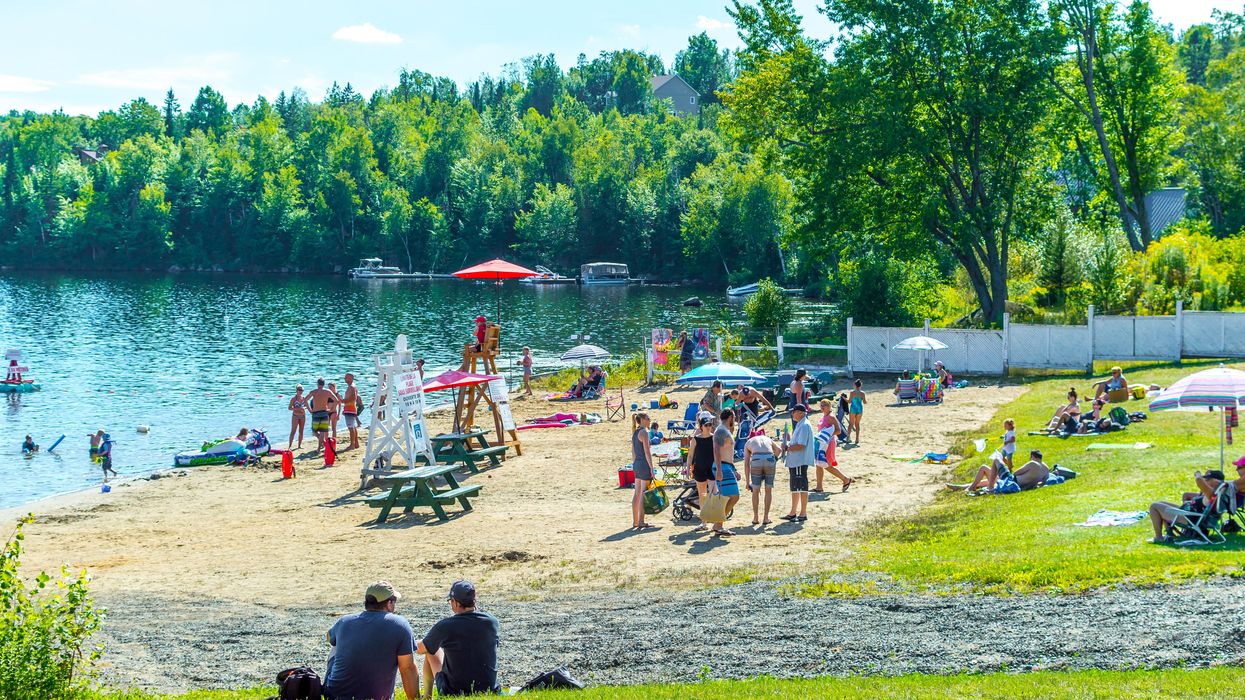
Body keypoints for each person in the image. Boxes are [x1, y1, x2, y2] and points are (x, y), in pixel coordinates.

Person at [323, 581, 419, 700]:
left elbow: (328, 636)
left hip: (335, 696)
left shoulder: (344, 621)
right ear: (389, 603)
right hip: (379, 696)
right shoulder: (400, 624)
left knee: (335, 644)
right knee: (403, 657)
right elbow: (407, 668)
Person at [416, 581, 501, 698]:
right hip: (488, 689)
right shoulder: (492, 622)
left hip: (454, 692)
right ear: (474, 601)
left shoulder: (446, 626)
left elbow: (421, 649)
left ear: (455, 602)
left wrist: (410, 641)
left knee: (431, 649)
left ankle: (427, 697)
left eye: (451, 601)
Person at [1149, 469, 1228, 543]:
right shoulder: (1216, 493)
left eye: (1207, 479)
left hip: (1190, 518)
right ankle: (1170, 535)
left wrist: (1198, 474)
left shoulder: (1210, 493)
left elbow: (1198, 480)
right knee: (1161, 503)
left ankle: (1159, 538)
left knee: (1154, 506)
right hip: (1192, 515)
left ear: (1215, 481)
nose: (1205, 481)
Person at [948, 450, 1049, 494]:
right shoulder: (1046, 468)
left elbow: (1016, 473)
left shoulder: (1032, 463)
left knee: (994, 461)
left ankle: (986, 487)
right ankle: (961, 487)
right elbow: (1043, 482)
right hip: (1019, 486)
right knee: (991, 477)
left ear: (1033, 457)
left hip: (1011, 481)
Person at [781, 404, 815, 522]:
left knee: (801, 486)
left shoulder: (804, 425)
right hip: (796, 461)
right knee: (795, 487)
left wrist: (787, 448)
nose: (792, 414)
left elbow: (801, 445)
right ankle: (793, 512)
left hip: (799, 461)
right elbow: (797, 442)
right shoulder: (801, 424)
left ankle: (803, 513)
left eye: (794, 412)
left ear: (800, 412)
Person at [710, 409, 741, 537]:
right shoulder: (721, 430)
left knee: (729, 497)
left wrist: (734, 469)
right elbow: (716, 450)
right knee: (734, 496)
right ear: (730, 417)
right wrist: (719, 470)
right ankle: (718, 524)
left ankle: (719, 524)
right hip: (722, 467)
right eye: (734, 417)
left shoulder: (724, 430)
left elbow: (726, 452)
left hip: (726, 466)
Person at [686, 414, 717, 531]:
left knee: (714, 494)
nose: (709, 427)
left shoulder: (714, 438)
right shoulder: (695, 439)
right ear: (701, 427)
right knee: (702, 495)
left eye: (710, 425)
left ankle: (715, 520)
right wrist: (688, 468)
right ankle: (704, 522)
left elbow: (718, 454)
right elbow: (690, 455)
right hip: (699, 469)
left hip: (711, 469)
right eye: (706, 425)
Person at [814, 399, 852, 492]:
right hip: (823, 443)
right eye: (821, 405)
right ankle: (819, 487)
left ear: (829, 406)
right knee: (819, 464)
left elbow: (838, 431)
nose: (822, 407)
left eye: (824, 405)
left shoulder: (831, 417)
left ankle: (845, 479)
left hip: (828, 443)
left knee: (826, 465)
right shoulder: (824, 416)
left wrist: (827, 435)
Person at [744, 429, 779, 526]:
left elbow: (746, 464)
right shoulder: (767, 439)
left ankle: (755, 517)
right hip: (769, 457)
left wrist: (747, 482)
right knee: (768, 490)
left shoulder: (749, 442)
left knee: (755, 490)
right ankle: (766, 518)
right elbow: (779, 449)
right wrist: (774, 460)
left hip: (756, 459)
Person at [630, 413, 657, 530]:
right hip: (643, 464)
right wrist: (651, 467)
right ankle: (641, 521)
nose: (649, 420)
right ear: (642, 420)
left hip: (636, 464)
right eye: (648, 418)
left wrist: (635, 464)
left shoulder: (635, 432)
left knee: (637, 493)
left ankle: (635, 521)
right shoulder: (644, 432)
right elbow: (647, 452)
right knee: (643, 493)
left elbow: (633, 452)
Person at [307, 378, 338, 452]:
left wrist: (310, 410)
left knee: (314, 431)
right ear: (324, 384)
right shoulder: (327, 391)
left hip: (316, 413)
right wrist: (332, 409)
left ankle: (321, 446)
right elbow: (336, 400)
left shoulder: (314, 392)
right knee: (322, 431)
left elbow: (305, 400)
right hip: (324, 413)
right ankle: (321, 446)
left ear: (317, 384)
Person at [342, 373, 364, 451]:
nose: (345, 379)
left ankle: (352, 444)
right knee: (353, 426)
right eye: (345, 378)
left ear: (351, 378)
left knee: (351, 427)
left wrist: (342, 401)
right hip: (349, 408)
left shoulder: (352, 387)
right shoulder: (351, 387)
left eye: (346, 378)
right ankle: (356, 443)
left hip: (350, 408)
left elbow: (353, 398)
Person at [288, 385, 307, 450]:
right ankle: (290, 446)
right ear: (296, 390)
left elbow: (306, 406)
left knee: (301, 431)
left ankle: (299, 445)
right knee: (293, 431)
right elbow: (289, 408)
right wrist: (297, 409)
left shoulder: (304, 398)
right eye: (299, 390)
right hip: (295, 416)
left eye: (302, 390)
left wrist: (303, 408)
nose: (301, 391)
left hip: (302, 416)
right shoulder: (293, 399)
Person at [847, 379, 866, 444]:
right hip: (860, 409)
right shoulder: (862, 393)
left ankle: (848, 437)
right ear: (860, 386)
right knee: (857, 424)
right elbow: (864, 402)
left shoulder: (852, 393)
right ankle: (857, 439)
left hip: (853, 409)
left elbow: (849, 401)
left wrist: (844, 398)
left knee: (851, 424)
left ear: (855, 385)